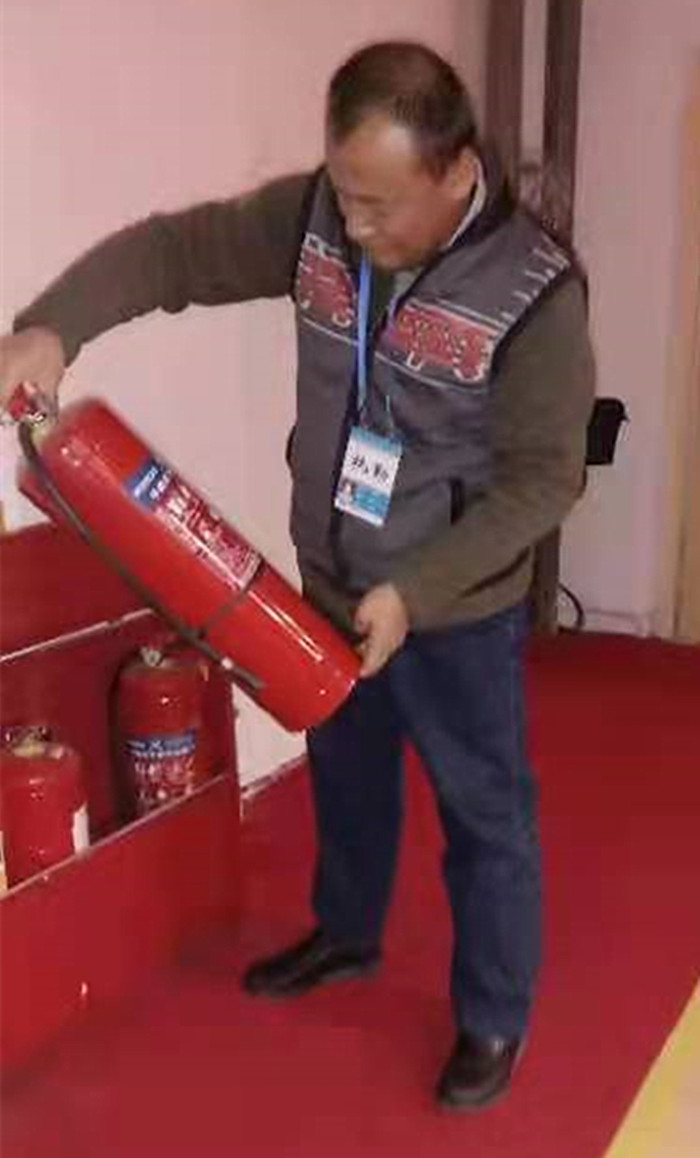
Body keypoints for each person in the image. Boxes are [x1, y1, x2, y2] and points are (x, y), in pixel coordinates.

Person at [0, 42, 595, 1110]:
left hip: (453, 610)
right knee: (348, 773)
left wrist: (417, 592)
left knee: (486, 814)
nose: (350, 227)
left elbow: (545, 479)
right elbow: (177, 254)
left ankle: (494, 1015)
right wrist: (55, 325)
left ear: (456, 173)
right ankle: (348, 933)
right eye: (342, 195)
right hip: (330, 581)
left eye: (378, 206)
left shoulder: (533, 292)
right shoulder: (322, 216)